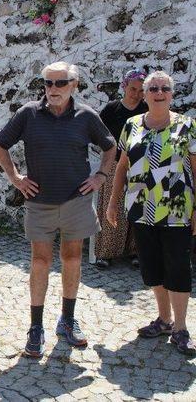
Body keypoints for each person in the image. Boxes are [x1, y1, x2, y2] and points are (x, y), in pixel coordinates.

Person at [0, 61, 116, 358]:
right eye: (48, 83)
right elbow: (0, 145)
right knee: (40, 261)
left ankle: (67, 319)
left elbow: (111, 147)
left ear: (74, 85)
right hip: (39, 202)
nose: (53, 89)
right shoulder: (28, 114)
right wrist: (15, 177)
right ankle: (36, 327)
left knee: (72, 257)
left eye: (60, 83)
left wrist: (100, 176)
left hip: (76, 200)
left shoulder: (86, 116)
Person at [107, 71, 196, 355]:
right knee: (151, 265)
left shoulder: (187, 126)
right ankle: (164, 319)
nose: (159, 92)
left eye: (165, 88)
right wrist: (112, 201)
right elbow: (121, 166)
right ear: (145, 94)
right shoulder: (132, 125)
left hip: (178, 209)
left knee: (178, 266)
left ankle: (181, 328)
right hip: (141, 208)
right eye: (153, 88)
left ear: (171, 94)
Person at [93, 69, 148, 269]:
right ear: (125, 87)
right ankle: (106, 252)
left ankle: (136, 251)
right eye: (133, 89)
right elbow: (98, 132)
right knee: (111, 203)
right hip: (115, 162)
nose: (136, 94)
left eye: (141, 90)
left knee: (138, 206)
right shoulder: (112, 109)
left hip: (141, 163)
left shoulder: (147, 110)